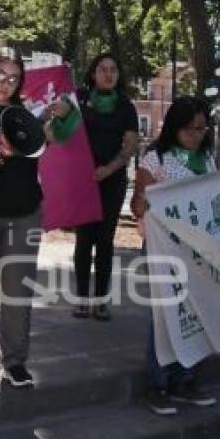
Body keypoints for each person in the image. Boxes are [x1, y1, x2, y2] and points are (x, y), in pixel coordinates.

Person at [0, 53, 76, 389]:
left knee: (16, 292)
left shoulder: (27, 114)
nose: (5, 82)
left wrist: (66, 112)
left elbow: (56, 134)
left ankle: (15, 362)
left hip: (25, 213)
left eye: (13, 78)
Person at [130, 95, 219, 416]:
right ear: (174, 128)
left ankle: (185, 380)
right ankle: (158, 384)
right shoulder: (157, 160)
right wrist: (145, 199)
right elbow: (137, 206)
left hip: (198, 252)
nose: (197, 135)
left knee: (195, 316)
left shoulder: (208, 159)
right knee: (166, 319)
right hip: (163, 249)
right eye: (190, 129)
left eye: (202, 128)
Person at [72, 53, 139, 320]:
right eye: (102, 69)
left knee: (105, 240)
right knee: (83, 238)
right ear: (93, 73)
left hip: (113, 178)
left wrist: (108, 169)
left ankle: (100, 301)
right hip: (83, 179)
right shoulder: (79, 98)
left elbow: (130, 147)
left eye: (113, 69)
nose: (108, 74)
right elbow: (64, 131)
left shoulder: (126, 106)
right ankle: (81, 300)